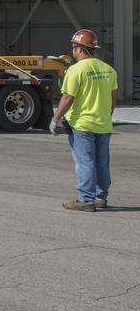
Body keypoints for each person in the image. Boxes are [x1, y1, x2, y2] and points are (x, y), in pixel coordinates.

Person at [51, 29, 117, 212]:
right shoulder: (109, 70)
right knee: (102, 163)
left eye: (74, 46)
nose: (73, 50)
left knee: (85, 162)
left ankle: (86, 200)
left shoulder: (76, 70)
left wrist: (55, 119)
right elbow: (113, 100)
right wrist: (105, 117)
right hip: (103, 124)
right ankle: (100, 198)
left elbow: (68, 98)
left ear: (80, 48)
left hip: (82, 125)